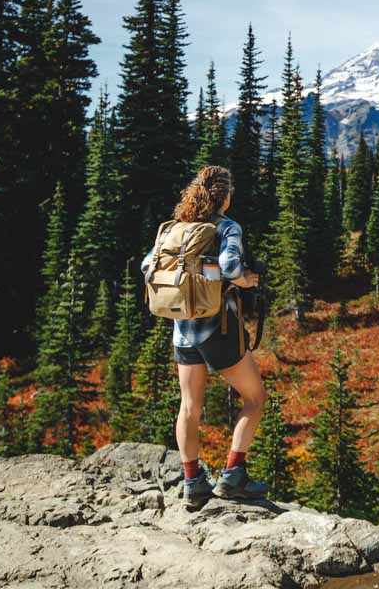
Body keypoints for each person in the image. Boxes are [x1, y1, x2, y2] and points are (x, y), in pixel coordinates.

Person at [141, 165, 268, 506]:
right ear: (223, 197)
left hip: (183, 332)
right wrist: (245, 281)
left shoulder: (175, 228)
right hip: (217, 329)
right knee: (255, 398)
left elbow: (146, 266)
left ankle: (193, 482)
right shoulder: (226, 227)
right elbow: (228, 268)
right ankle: (233, 476)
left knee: (189, 407)